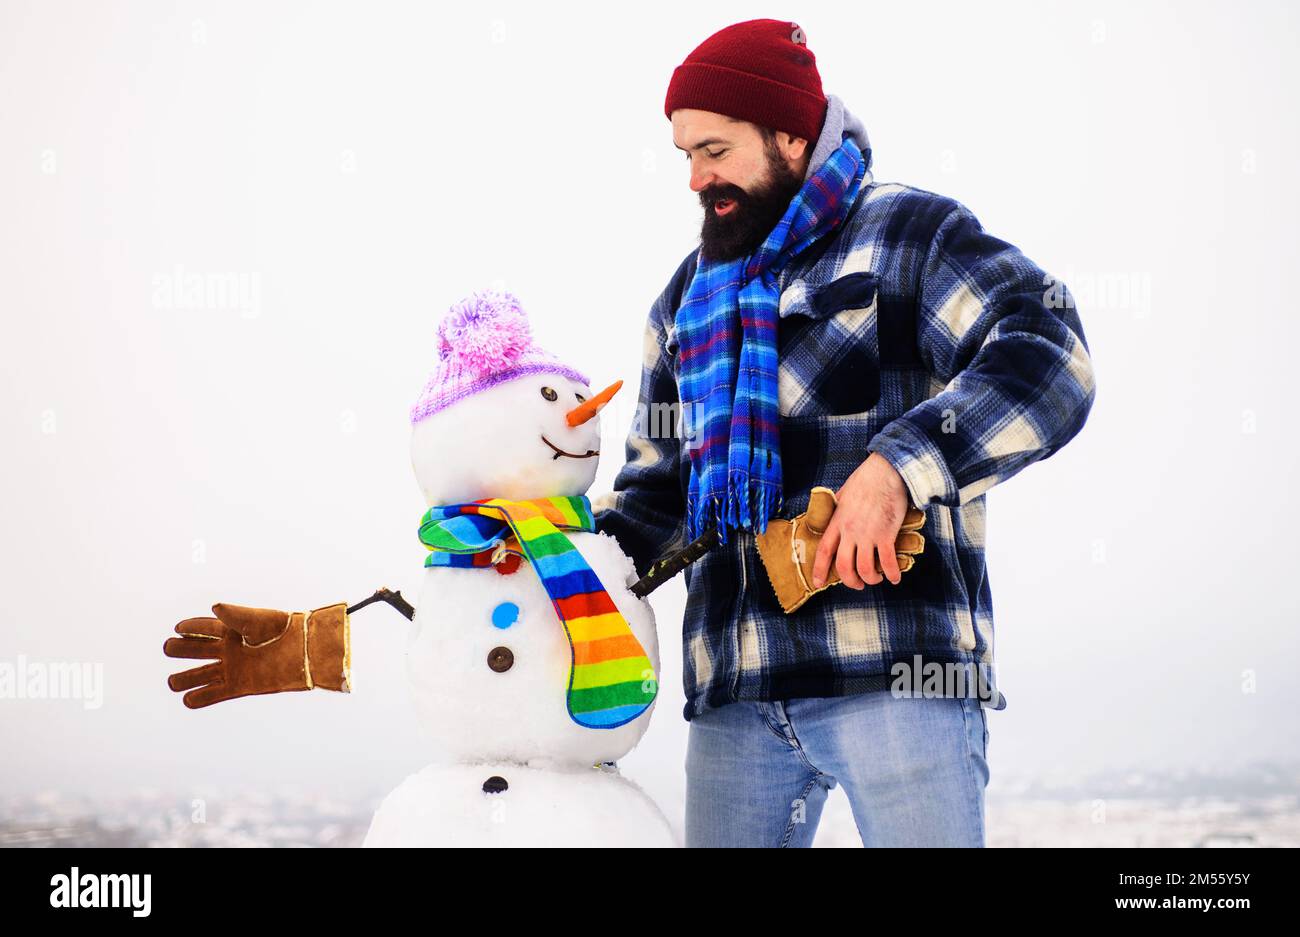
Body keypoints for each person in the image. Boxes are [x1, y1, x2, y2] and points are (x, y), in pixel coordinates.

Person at [592, 18, 1096, 848]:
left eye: (714, 150)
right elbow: (655, 495)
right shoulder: (685, 301)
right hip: (736, 692)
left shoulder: (908, 236)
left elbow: (1049, 354)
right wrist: (545, 562)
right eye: (685, 155)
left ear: (791, 134)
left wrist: (901, 466)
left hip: (895, 678)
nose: (695, 178)